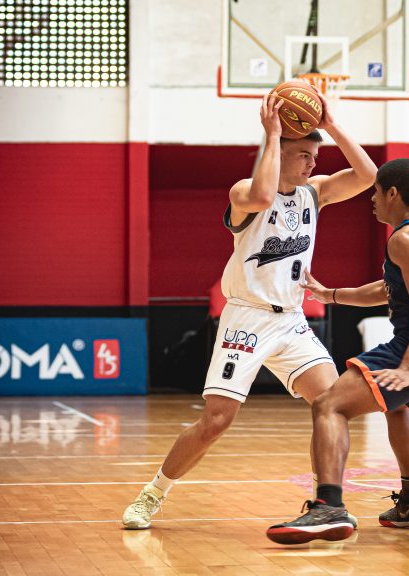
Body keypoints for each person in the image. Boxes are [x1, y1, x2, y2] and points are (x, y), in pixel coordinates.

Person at [122, 90, 377, 529]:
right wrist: (272, 133)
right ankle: (153, 493)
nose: (312, 164)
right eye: (304, 155)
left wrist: (331, 125)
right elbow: (261, 194)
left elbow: (368, 175)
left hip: (292, 320)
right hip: (247, 318)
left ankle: (327, 504)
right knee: (216, 420)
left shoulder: (314, 193)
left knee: (332, 404)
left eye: (315, 157)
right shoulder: (244, 191)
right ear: (281, 152)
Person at [266, 158, 409, 545]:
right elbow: (387, 290)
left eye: (376, 192)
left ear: (392, 193)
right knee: (395, 403)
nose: (372, 200)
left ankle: (328, 506)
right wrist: (330, 294)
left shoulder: (404, 239)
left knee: (329, 405)